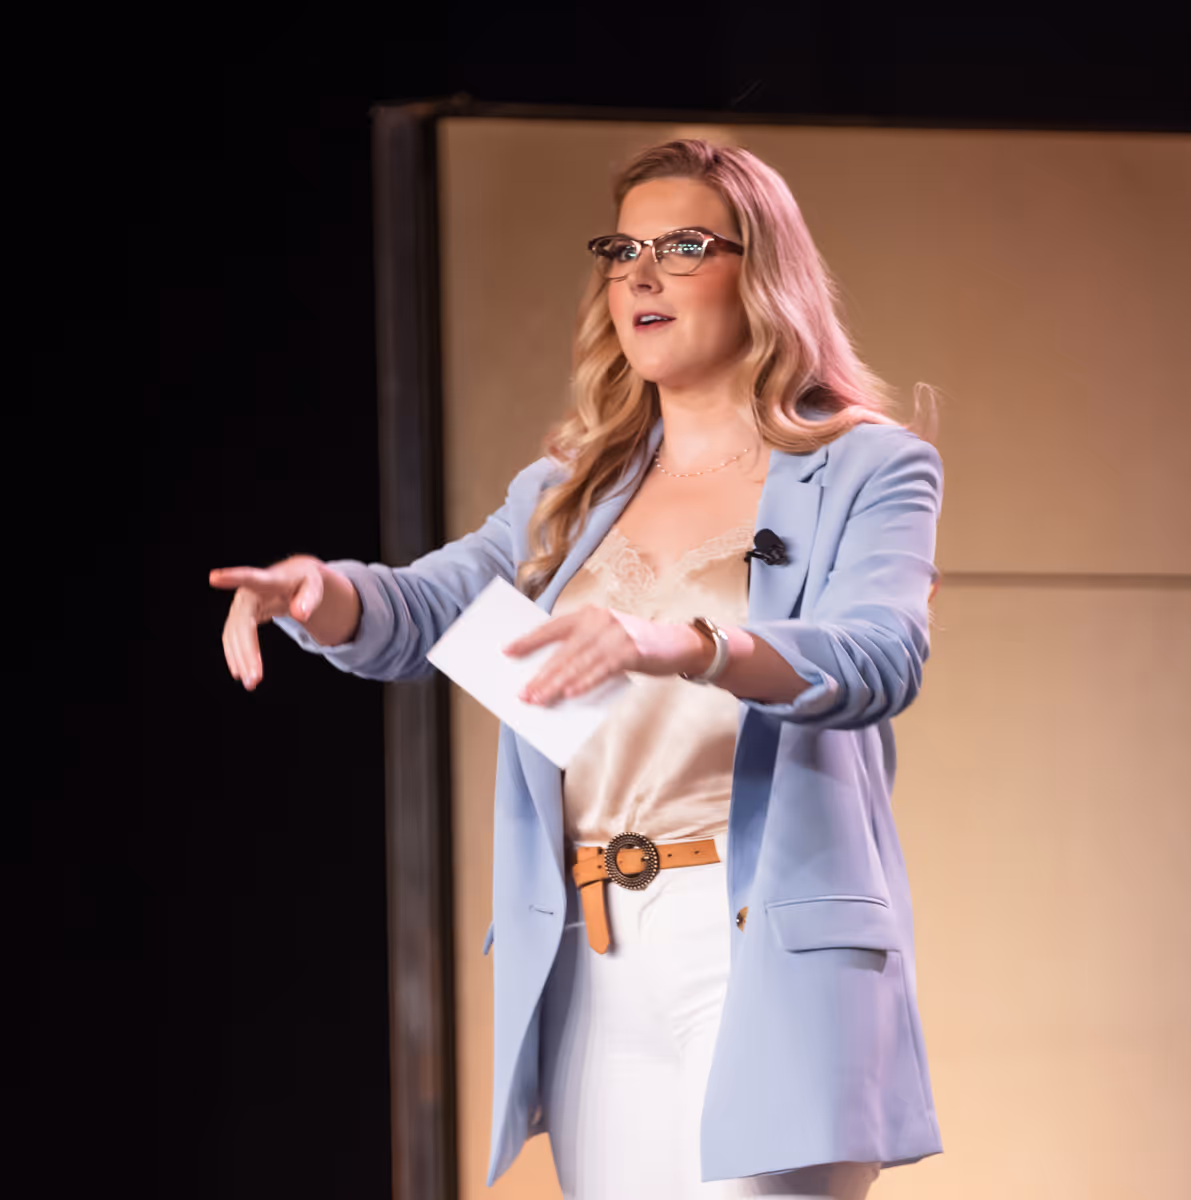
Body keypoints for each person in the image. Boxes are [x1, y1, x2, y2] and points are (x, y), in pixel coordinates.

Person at [211, 138, 943, 1199]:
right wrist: (320, 594)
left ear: (765, 269)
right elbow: (422, 613)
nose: (641, 275)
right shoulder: (571, 487)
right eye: (623, 250)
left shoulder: (864, 466)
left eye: (684, 246)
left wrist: (686, 644)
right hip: (595, 951)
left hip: (760, 947)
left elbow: (879, 656)